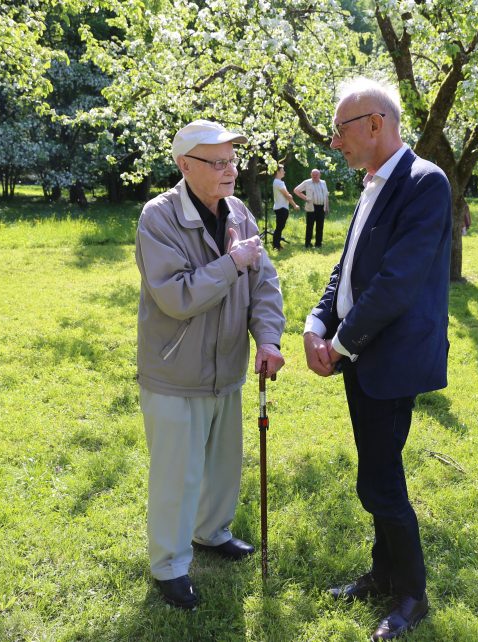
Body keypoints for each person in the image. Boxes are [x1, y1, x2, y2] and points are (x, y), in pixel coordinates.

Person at [303, 77, 451, 641]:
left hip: (387, 360)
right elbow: (349, 268)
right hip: (362, 356)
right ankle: (383, 572)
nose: (334, 142)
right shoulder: (373, 182)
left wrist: (339, 347)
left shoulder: (424, 182)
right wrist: (318, 321)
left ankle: (411, 594)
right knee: (376, 468)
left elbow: (395, 284)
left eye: (340, 129)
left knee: (381, 480)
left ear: (374, 124)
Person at [135, 119, 286, 609]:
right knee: (178, 473)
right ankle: (170, 565)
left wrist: (267, 338)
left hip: (228, 369)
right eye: (218, 162)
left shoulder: (239, 213)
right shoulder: (158, 218)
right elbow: (176, 296)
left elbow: (264, 283)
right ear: (185, 165)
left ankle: (211, 532)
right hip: (176, 372)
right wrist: (231, 264)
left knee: (222, 465)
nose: (230, 171)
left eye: (233, 161)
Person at [294, 168, 330, 248]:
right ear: (311, 175)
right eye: (313, 175)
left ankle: (318, 244)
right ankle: (307, 244)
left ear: (319, 175)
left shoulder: (323, 183)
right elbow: (296, 190)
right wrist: (306, 198)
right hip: (311, 207)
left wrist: (327, 207)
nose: (314, 177)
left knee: (320, 226)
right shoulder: (307, 182)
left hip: (321, 208)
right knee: (309, 226)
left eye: (316, 175)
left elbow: (326, 195)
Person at [271, 164, 299, 250]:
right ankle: (276, 245)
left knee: (280, 227)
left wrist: (289, 195)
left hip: (280, 207)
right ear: (278, 172)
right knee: (279, 227)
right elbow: (287, 196)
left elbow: (287, 195)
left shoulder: (277, 182)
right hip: (281, 208)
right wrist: (295, 205)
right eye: (282, 170)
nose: (284, 172)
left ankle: (277, 244)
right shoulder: (278, 182)